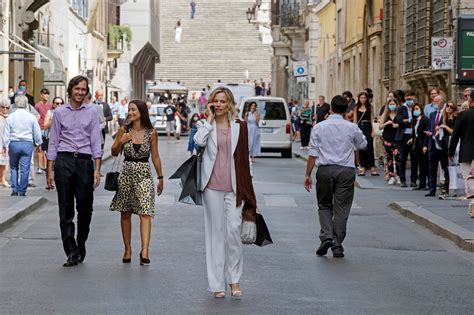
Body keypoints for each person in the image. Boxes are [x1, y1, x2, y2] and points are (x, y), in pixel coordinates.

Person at [194, 87, 257, 298]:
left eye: (223, 101)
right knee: (215, 234)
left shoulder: (241, 126)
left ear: (229, 104)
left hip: (235, 187)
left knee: (233, 232)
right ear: (211, 103)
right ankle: (217, 284)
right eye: (216, 101)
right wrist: (209, 120)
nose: (219, 105)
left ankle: (234, 279)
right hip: (211, 187)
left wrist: (249, 187)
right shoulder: (204, 124)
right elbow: (198, 144)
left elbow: (244, 159)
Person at [46, 75, 102, 267]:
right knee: (66, 209)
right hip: (64, 160)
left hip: (85, 163)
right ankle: (71, 251)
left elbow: (96, 140)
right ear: (70, 90)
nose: (80, 92)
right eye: (77, 89)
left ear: (86, 92)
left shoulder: (92, 112)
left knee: (85, 209)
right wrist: (50, 171)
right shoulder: (60, 113)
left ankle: (81, 243)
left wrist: (97, 169)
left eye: (83, 89)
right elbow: (53, 142)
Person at [304, 95, 367, 258]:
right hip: (346, 171)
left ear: (330, 108)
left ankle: (327, 236)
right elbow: (363, 144)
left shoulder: (319, 127)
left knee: (324, 205)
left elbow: (312, 152)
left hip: (325, 170)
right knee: (342, 207)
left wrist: (307, 174)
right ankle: (337, 245)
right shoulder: (352, 127)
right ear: (346, 109)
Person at [110, 100, 164, 265]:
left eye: (133, 109)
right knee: (125, 212)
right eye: (129, 110)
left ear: (141, 111)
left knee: (145, 212)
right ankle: (127, 249)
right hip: (126, 173)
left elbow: (155, 156)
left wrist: (160, 177)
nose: (130, 112)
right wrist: (121, 140)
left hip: (144, 174)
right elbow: (113, 152)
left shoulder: (151, 132)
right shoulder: (123, 130)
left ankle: (145, 250)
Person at [2, 95, 42, 196]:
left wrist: (4, 145)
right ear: (26, 104)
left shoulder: (11, 116)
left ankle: (14, 189)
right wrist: (38, 143)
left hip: (14, 143)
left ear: (15, 103)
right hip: (27, 143)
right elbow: (37, 132)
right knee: (25, 168)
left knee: (14, 167)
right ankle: (22, 190)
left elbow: (7, 132)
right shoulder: (31, 117)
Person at [449, 90, 474, 215]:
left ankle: (472, 202)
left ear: (470, 100)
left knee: (468, 178)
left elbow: (455, 135)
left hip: (467, 152)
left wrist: (451, 152)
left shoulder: (463, 115)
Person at [424, 94, 449, 197]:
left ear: (442, 102)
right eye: (434, 102)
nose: (435, 104)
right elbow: (431, 127)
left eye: (437, 101)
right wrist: (430, 133)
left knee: (445, 167)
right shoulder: (432, 114)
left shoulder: (446, 113)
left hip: (442, 144)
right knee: (432, 168)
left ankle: (447, 188)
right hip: (432, 144)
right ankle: (432, 189)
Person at [395, 90, 416, 187]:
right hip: (403, 137)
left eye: (411, 97)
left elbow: (418, 121)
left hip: (413, 136)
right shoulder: (401, 109)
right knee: (402, 158)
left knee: (414, 159)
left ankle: (413, 180)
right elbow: (399, 121)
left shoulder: (416, 108)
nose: (409, 99)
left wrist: (407, 121)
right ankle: (402, 180)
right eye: (407, 97)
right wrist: (409, 121)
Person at [42, 97, 65, 190]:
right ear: (53, 104)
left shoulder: (66, 113)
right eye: (57, 103)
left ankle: (58, 181)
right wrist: (54, 118)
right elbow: (45, 125)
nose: (59, 105)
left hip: (62, 141)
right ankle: (49, 181)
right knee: (50, 161)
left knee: (59, 163)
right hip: (50, 139)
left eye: (61, 103)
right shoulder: (50, 113)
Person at [353, 91, 378, 176]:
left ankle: (372, 167)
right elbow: (355, 121)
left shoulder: (370, 107)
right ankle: (362, 167)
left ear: (367, 99)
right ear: (359, 99)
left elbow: (372, 119)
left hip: (368, 127)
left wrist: (373, 130)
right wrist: (354, 131)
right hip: (360, 128)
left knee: (370, 147)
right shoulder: (356, 108)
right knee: (361, 147)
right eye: (361, 98)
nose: (363, 99)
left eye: (364, 98)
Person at [379, 98, 400, 185]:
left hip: (397, 138)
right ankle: (391, 175)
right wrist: (386, 123)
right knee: (389, 158)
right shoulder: (385, 114)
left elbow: (403, 124)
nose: (392, 106)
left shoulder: (399, 114)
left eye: (393, 104)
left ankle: (398, 175)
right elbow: (380, 126)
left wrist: (397, 125)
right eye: (390, 104)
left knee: (398, 157)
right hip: (387, 138)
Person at [410, 103, 430, 190]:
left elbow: (426, 133)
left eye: (417, 109)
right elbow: (415, 132)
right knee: (421, 164)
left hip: (423, 144)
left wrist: (425, 145)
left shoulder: (425, 120)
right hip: (417, 144)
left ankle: (429, 183)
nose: (415, 111)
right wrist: (412, 139)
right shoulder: (415, 121)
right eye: (414, 109)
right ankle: (422, 183)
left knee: (425, 164)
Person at [35, 88, 52, 174]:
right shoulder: (37, 105)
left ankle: (46, 167)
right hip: (40, 129)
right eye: (44, 94)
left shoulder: (50, 105)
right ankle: (39, 167)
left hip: (48, 130)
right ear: (41, 95)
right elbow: (36, 117)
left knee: (46, 149)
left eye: (47, 94)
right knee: (40, 149)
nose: (46, 96)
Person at [0, 98, 11, 187]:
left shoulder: (10, 118)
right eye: (2, 107)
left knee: (4, 162)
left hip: (6, 142)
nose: (4, 109)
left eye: (7, 107)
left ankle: (2, 179)